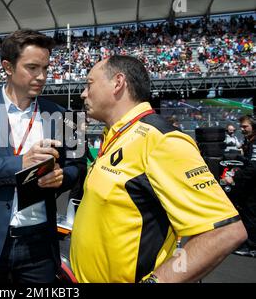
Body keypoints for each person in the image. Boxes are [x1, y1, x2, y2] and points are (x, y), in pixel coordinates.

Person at [70, 55, 247, 283]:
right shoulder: (116, 136)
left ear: (117, 83)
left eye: (89, 84)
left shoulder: (160, 140)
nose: (83, 93)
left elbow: (225, 232)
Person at [0, 29, 81, 283]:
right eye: (32, 68)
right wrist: (19, 163)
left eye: (45, 68)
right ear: (8, 67)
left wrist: (62, 178)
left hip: (39, 247)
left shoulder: (64, 115)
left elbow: (79, 167)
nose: (42, 76)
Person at [223, 115, 256, 255]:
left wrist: (234, 176)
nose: (242, 129)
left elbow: (254, 167)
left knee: (251, 214)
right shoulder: (249, 141)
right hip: (249, 185)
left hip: (253, 187)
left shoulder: (254, 143)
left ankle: (251, 247)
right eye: (241, 126)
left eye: (245, 126)